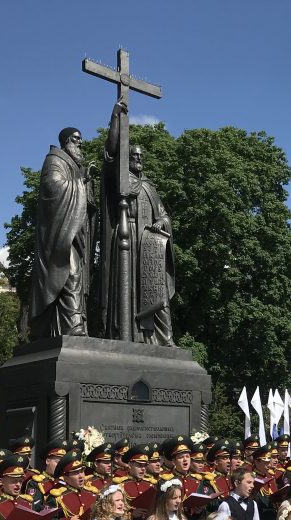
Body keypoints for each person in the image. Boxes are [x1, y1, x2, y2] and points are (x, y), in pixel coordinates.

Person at [98, 98, 176, 344]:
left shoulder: (149, 187)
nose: (139, 160)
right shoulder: (120, 179)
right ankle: (127, 336)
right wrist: (116, 120)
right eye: (134, 156)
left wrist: (162, 224)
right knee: (127, 289)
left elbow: (163, 214)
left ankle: (161, 338)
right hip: (127, 238)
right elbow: (110, 155)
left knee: (157, 289)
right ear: (128, 158)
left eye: (141, 157)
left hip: (149, 244)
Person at [29, 126, 93, 339]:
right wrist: (80, 181)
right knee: (70, 274)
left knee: (77, 277)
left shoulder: (73, 165)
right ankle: (73, 326)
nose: (80, 143)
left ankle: (74, 324)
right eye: (76, 139)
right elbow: (52, 187)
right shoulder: (54, 160)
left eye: (80, 139)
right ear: (65, 141)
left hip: (75, 234)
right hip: (60, 235)